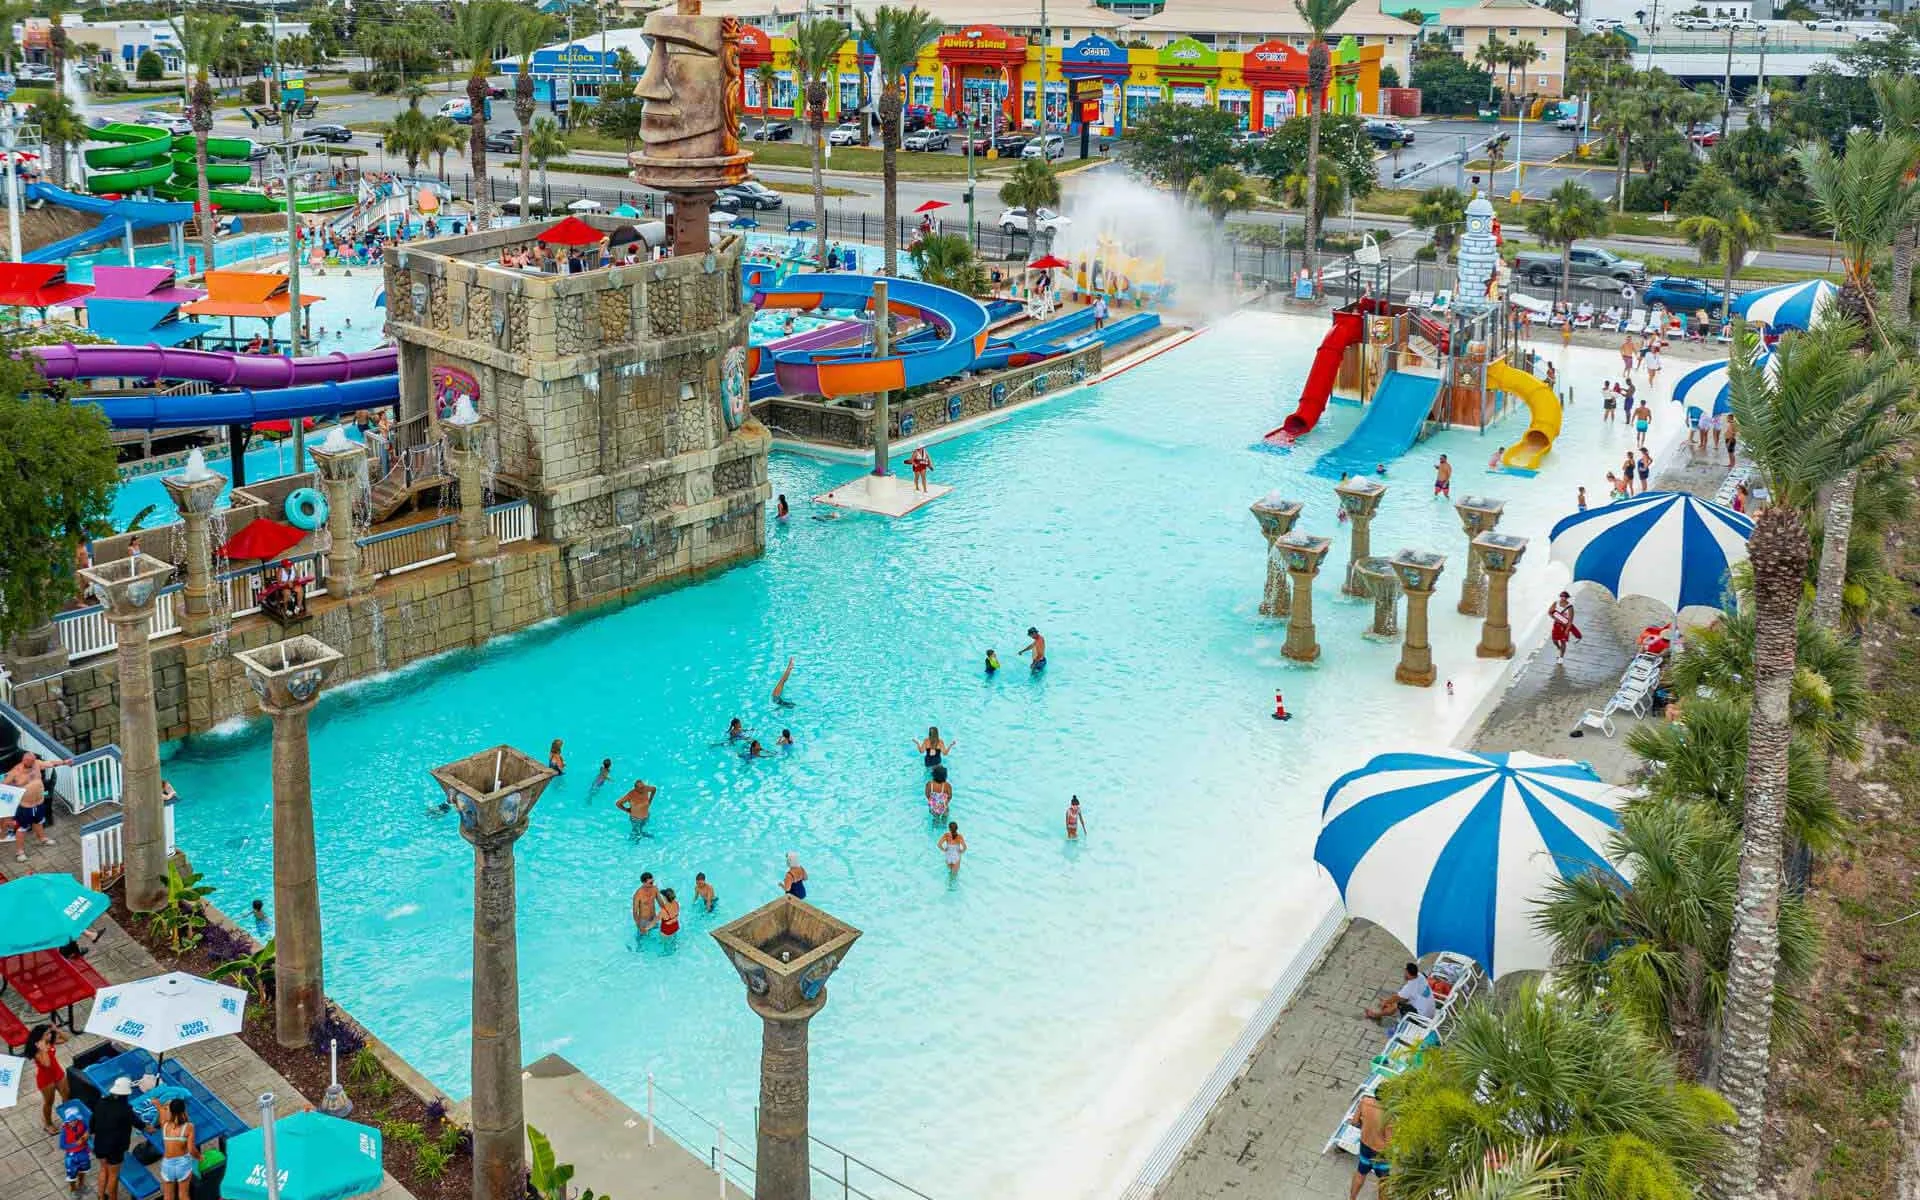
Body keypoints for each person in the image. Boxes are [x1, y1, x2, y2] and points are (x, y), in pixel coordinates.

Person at [90, 1077, 147, 1200]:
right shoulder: (125, 1109)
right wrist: (148, 1127)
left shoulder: (101, 1102)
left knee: (103, 1169)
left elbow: (93, 1122)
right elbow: (139, 1124)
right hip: (115, 1148)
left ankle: (100, 1196)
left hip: (100, 1143)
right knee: (113, 1174)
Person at [4, 750, 67, 862]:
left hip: (39, 802)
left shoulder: (36, 764)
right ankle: (20, 852)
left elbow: (50, 763)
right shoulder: (15, 772)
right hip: (25, 806)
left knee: (39, 822)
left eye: (34, 761)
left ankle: (42, 838)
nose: (33, 763)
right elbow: (3, 786)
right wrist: (17, 787)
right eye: (31, 761)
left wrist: (64, 762)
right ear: (24, 761)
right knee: (21, 828)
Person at [1347, 1091, 1392, 1199]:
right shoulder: (1388, 1115)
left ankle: (1352, 1198)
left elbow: (1354, 1122)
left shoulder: (1365, 1102)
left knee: (1361, 1173)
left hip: (1365, 1146)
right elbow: (1390, 1141)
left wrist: (1365, 1127)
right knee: (1384, 1180)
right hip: (1381, 1153)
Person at [27, 1024, 69, 1133]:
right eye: (47, 1034)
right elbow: (47, 1064)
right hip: (46, 1080)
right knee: (49, 1102)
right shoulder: (37, 1049)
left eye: (50, 1033)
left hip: (58, 1073)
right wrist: (43, 1050)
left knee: (66, 1096)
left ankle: (68, 1117)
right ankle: (48, 1124)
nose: (50, 1035)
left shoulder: (49, 1042)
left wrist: (57, 1030)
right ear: (41, 1036)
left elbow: (66, 1039)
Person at [1363, 962, 1436, 1021]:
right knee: (1400, 1000)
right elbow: (1403, 997)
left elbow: (1396, 997)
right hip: (1431, 1010)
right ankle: (1388, 1007)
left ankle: (1375, 1015)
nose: (1404, 974)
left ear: (1408, 974)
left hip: (1422, 1016)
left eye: (1405, 972)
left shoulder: (1409, 987)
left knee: (1397, 1005)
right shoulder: (1420, 976)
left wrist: (1385, 1002)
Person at [157, 1098, 195, 1200]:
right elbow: (191, 1150)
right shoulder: (189, 1127)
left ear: (170, 1111)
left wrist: (158, 1104)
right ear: (184, 1110)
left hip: (167, 1165)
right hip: (183, 1164)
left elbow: (161, 1111)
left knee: (168, 1196)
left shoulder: (164, 1124)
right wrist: (199, 1157)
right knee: (183, 1195)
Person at [59, 1100, 92, 1196]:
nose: (73, 1122)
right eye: (70, 1120)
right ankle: (73, 1190)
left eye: (74, 1120)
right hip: (72, 1155)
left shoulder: (82, 1124)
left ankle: (81, 1185)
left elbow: (89, 1129)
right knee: (72, 1173)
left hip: (83, 1152)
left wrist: (87, 1134)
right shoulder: (64, 1131)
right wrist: (76, 1144)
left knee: (83, 1169)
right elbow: (62, 1145)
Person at [1549, 591, 1583, 660]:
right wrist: (1555, 618)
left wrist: (1567, 630)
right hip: (1556, 624)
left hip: (1565, 625)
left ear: (1567, 598)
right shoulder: (1556, 603)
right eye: (1562, 596)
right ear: (1560, 596)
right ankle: (1559, 648)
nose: (1563, 598)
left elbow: (1570, 620)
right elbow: (1550, 612)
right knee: (1554, 640)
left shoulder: (1570, 607)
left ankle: (1561, 658)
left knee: (1563, 641)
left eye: (1564, 597)